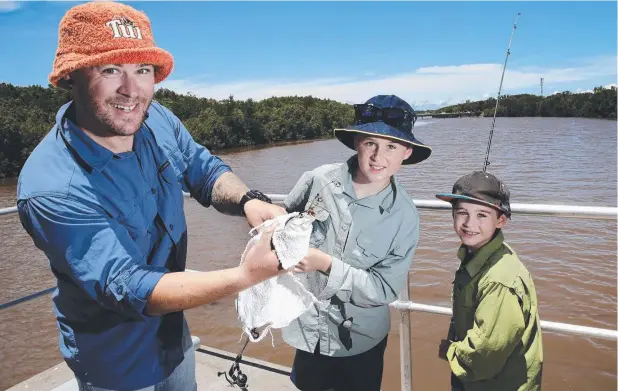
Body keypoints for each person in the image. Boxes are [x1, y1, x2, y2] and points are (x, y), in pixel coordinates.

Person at [16, 2, 286, 390]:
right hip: (117, 363)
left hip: (173, 338)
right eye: (111, 70)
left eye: (142, 70)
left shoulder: (154, 118)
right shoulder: (51, 188)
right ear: (71, 77)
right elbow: (128, 287)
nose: (132, 90)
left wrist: (249, 200)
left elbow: (202, 169)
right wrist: (245, 276)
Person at [281, 95, 432, 391]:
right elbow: (284, 222)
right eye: (370, 144)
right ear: (356, 143)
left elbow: (384, 289)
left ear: (407, 152)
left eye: (391, 146)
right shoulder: (317, 179)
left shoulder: (405, 216)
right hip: (308, 329)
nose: (379, 156)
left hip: (361, 341)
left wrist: (325, 265)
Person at [435, 171, 543, 391]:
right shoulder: (476, 253)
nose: (469, 223)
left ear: (500, 220)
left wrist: (451, 351)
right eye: (462, 212)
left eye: (482, 215)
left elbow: (486, 353)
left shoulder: (500, 279)